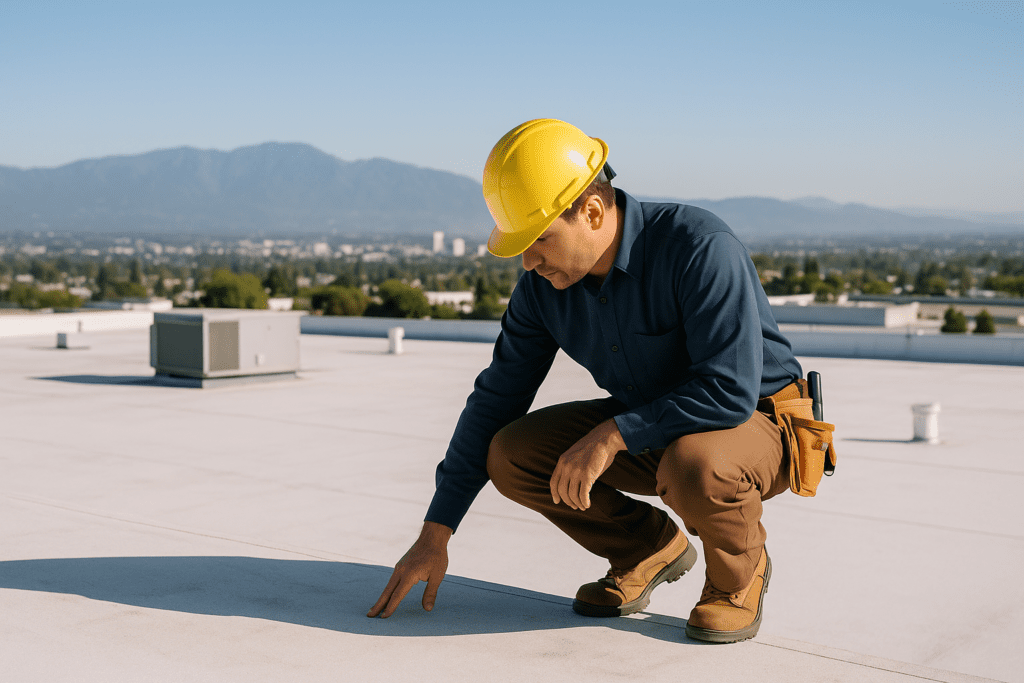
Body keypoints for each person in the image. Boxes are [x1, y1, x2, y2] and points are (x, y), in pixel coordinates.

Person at [368, 118, 805, 643]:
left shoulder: (698, 246)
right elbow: (496, 399)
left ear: (592, 211)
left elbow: (728, 390)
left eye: (539, 240)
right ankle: (644, 548)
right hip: (656, 427)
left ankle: (739, 576)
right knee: (510, 452)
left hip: (758, 422)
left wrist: (613, 433)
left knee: (695, 464)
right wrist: (435, 532)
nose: (529, 261)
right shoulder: (541, 289)